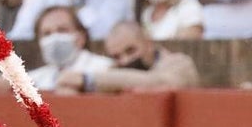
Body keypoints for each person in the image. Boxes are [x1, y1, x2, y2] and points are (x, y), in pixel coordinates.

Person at [55, 19, 201, 92]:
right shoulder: (112, 73)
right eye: (117, 56)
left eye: (131, 51)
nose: (125, 60)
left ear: (148, 42)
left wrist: (87, 80)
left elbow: (160, 83)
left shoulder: (179, 63)